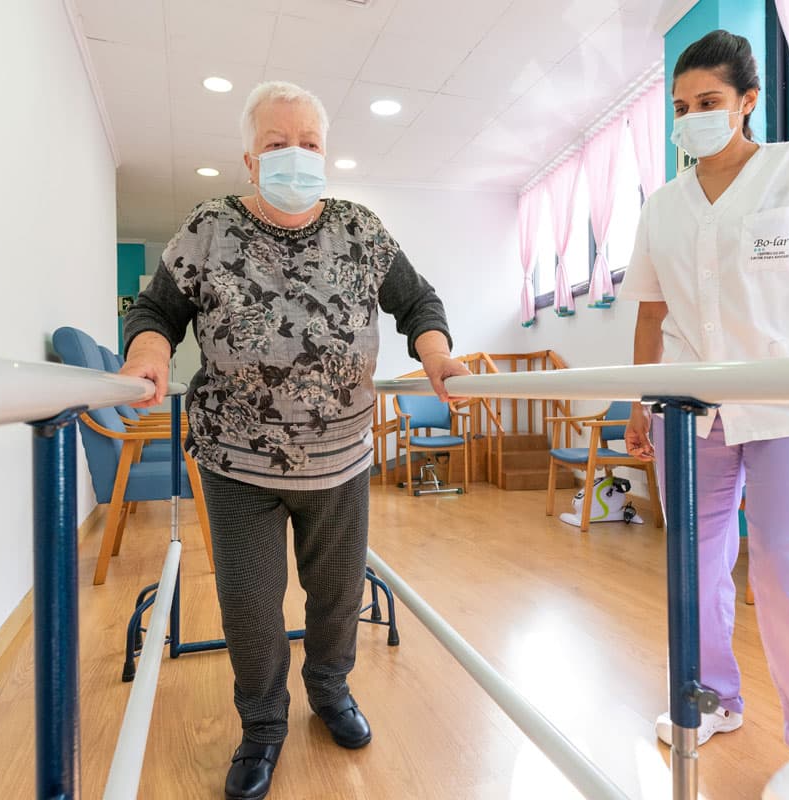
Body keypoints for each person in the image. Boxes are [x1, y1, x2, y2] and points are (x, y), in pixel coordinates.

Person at [121, 81, 469, 800]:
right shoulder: (209, 226)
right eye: (278, 145)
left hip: (341, 459)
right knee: (250, 604)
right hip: (235, 459)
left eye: (308, 143)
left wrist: (436, 356)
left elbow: (418, 302)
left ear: (325, 152)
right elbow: (157, 308)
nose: (295, 156)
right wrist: (147, 355)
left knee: (337, 597)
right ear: (250, 159)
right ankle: (263, 726)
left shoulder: (362, 229)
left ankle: (331, 692)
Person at [617, 30, 789, 800]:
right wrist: (644, 401)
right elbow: (650, 315)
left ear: (747, 102)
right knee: (691, 570)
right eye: (681, 107)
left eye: (708, 102)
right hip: (689, 414)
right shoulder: (663, 206)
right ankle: (711, 699)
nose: (694, 118)